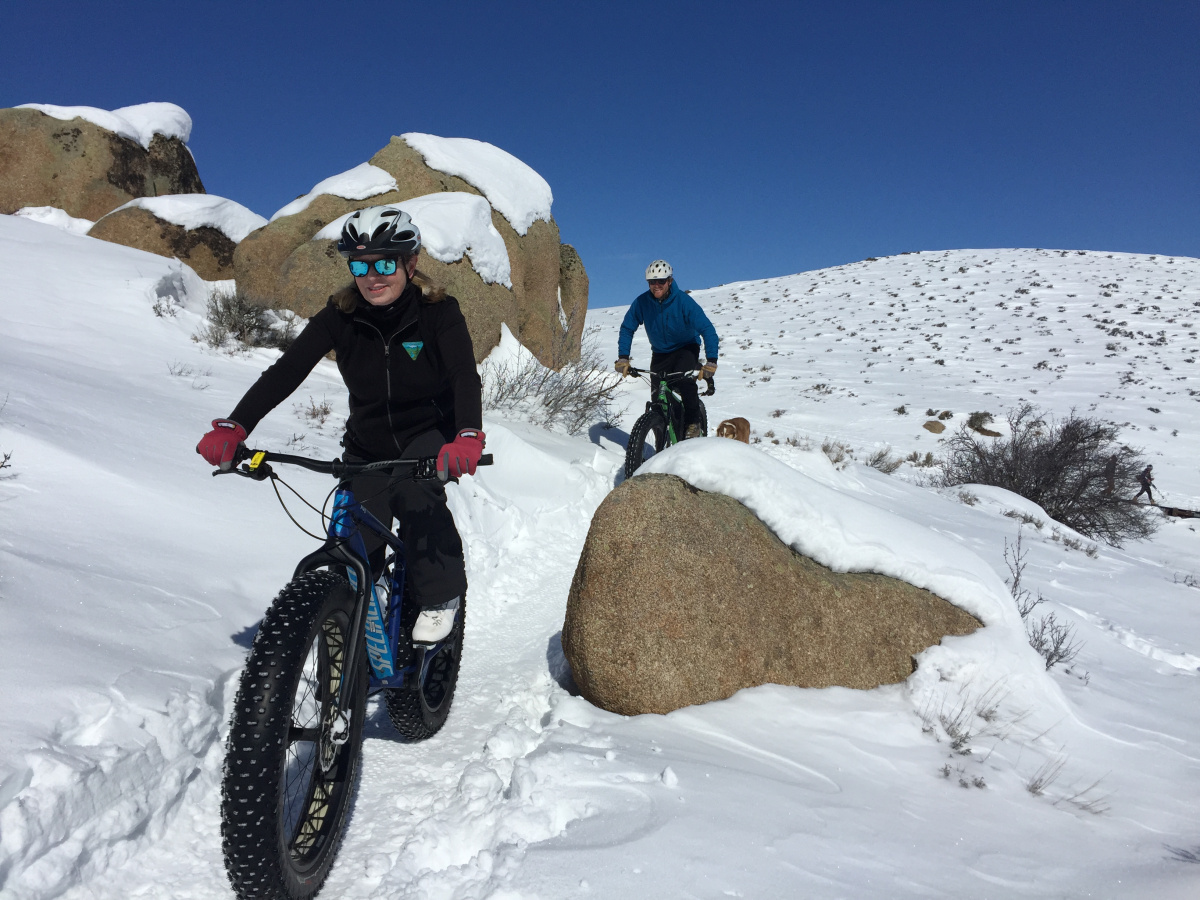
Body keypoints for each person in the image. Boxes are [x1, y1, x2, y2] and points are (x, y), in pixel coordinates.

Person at [196, 206, 484, 643]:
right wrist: (236, 426)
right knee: (354, 555)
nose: (372, 277)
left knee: (413, 489)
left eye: (385, 263)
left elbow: (464, 375)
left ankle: (440, 595)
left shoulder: (438, 313)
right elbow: (286, 371)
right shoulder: (341, 315)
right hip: (367, 446)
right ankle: (353, 639)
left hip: (428, 435)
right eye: (360, 265)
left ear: (411, 262)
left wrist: (467, 435)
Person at [615, 260, 719, 439]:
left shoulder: (684, 302)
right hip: (660, 353)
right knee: (658, 401)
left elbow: (707, 329)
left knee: (685, 382)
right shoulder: (642, 302)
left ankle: (693, 423)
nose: (656, 286)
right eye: (652, 282)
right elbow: (627, 328)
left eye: (661, 281)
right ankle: (660, 444)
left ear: (669, 281)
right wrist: (623, 357)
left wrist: (711, 361)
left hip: (686, 347)